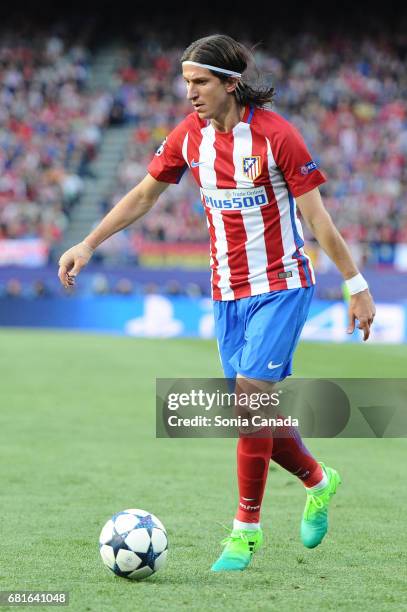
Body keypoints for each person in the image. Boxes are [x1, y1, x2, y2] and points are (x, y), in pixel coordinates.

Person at [58, 34, 376, 572]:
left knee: (252, 398)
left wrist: (356, 284)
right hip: (227, 292)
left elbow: (317, 220)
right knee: (253, 416)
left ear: (230, 83)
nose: (190, 94)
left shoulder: (277, 137)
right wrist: (88, 244)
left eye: (200, 82)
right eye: (186, 83)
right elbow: (143, 195)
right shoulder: (190, 137)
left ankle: (244, 533)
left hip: (282, 284)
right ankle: (320, 481)